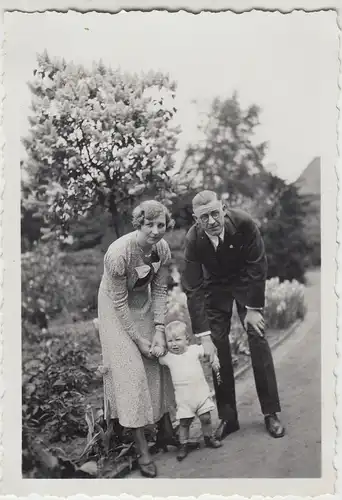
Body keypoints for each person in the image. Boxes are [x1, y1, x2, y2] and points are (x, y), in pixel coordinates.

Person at [181, 190, 285, 440]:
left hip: (245, 282)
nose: (212, 222)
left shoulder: (244, 223)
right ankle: (228, 417)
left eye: (215, 214)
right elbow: (193, 288)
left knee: (257, 338)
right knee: (216, 349)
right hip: (214, 287)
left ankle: (270, 412)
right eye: (204, 218)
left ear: (224, 209)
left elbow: (258, 266)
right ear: (196, 220)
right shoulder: (193, 240)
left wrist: (253, 309)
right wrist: (203, 335)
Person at [97, 200, 177, 478]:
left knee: (156, 360)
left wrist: (158, 329)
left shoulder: (162, 248)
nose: (155, 231)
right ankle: (141, 447)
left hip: (141, 300)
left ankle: (166, 430)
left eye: (161, 225)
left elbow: (161, 288)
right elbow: (119, 303)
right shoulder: (118, 253)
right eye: (149, 225)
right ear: (139, 224)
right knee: (131, 371)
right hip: (114, 307)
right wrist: (137, 340)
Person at [159, 320, 222, 461]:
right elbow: (156, 356)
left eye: (178, 340)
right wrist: (159, 348)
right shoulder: (168, 357)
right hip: (184, 398)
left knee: (206, 418)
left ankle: (208, 438)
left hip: (200, 393)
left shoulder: (194, 350)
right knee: (184, 423)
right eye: (170, 341)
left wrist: (215, 360)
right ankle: (183, 445)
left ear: (187, 340)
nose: (174, 344)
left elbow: (209, 351)